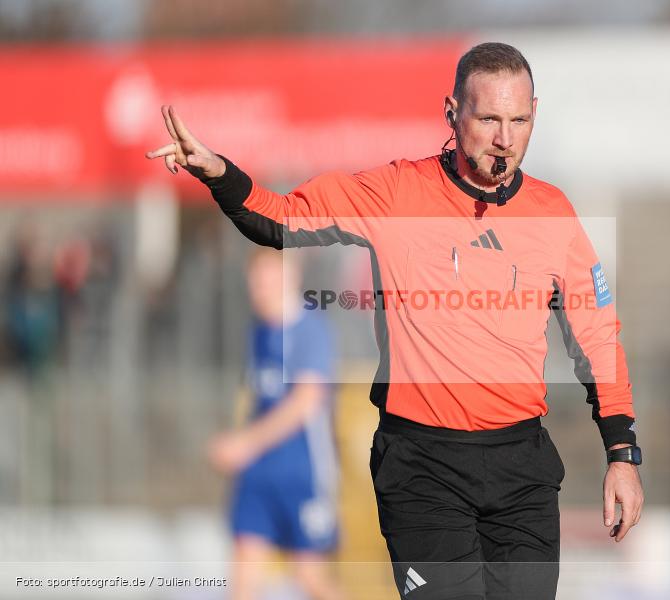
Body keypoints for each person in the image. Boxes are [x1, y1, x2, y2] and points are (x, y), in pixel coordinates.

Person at [149, 42, 643, 600]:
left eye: (519, 120)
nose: (505, 138)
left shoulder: (554, 213)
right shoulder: (395, 192)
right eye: (488, 119)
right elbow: (282, 216)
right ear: (452, 114)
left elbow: (598, 336)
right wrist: (219, 173)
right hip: (423, 466)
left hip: (520, 468)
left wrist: (622, 454)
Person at [207, 248, 344, 600]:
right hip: (258, 475)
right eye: (255, 281)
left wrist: (245, 443)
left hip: (302, 473)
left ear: (291, 277)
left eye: (268, 279)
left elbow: (306, 402)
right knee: (243, 578)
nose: (260, 289)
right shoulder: (258, 332)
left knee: (310, 578)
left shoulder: (309, 329)